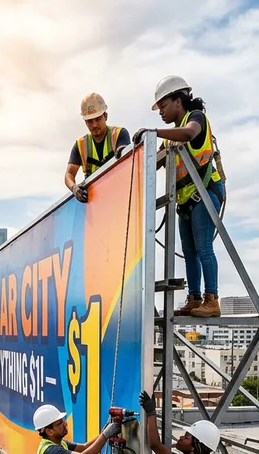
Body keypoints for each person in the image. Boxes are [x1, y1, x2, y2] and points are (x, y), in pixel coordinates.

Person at [134, 75, 225, 318]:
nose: (161, 112)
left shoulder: (195, 118)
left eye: (163, 106)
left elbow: (189, 134)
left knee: (204, 247)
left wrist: (152, 132)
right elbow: (154, 163)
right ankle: (195, 298)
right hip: (186, 200)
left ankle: (211, 299)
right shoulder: (171, 136)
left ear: (178, 101)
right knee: (190, 252)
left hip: (204, 192)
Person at [64, 93, 130, 202]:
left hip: (118, 198)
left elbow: (124, 153)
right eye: (90, 121)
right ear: (85, 122)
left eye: (98, 119)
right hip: (94, 204)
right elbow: (69, 174)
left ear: (106, 116)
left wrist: (121, 151)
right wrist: (74, 188)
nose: (94, 125)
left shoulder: (119, 134)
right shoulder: (80, 145)